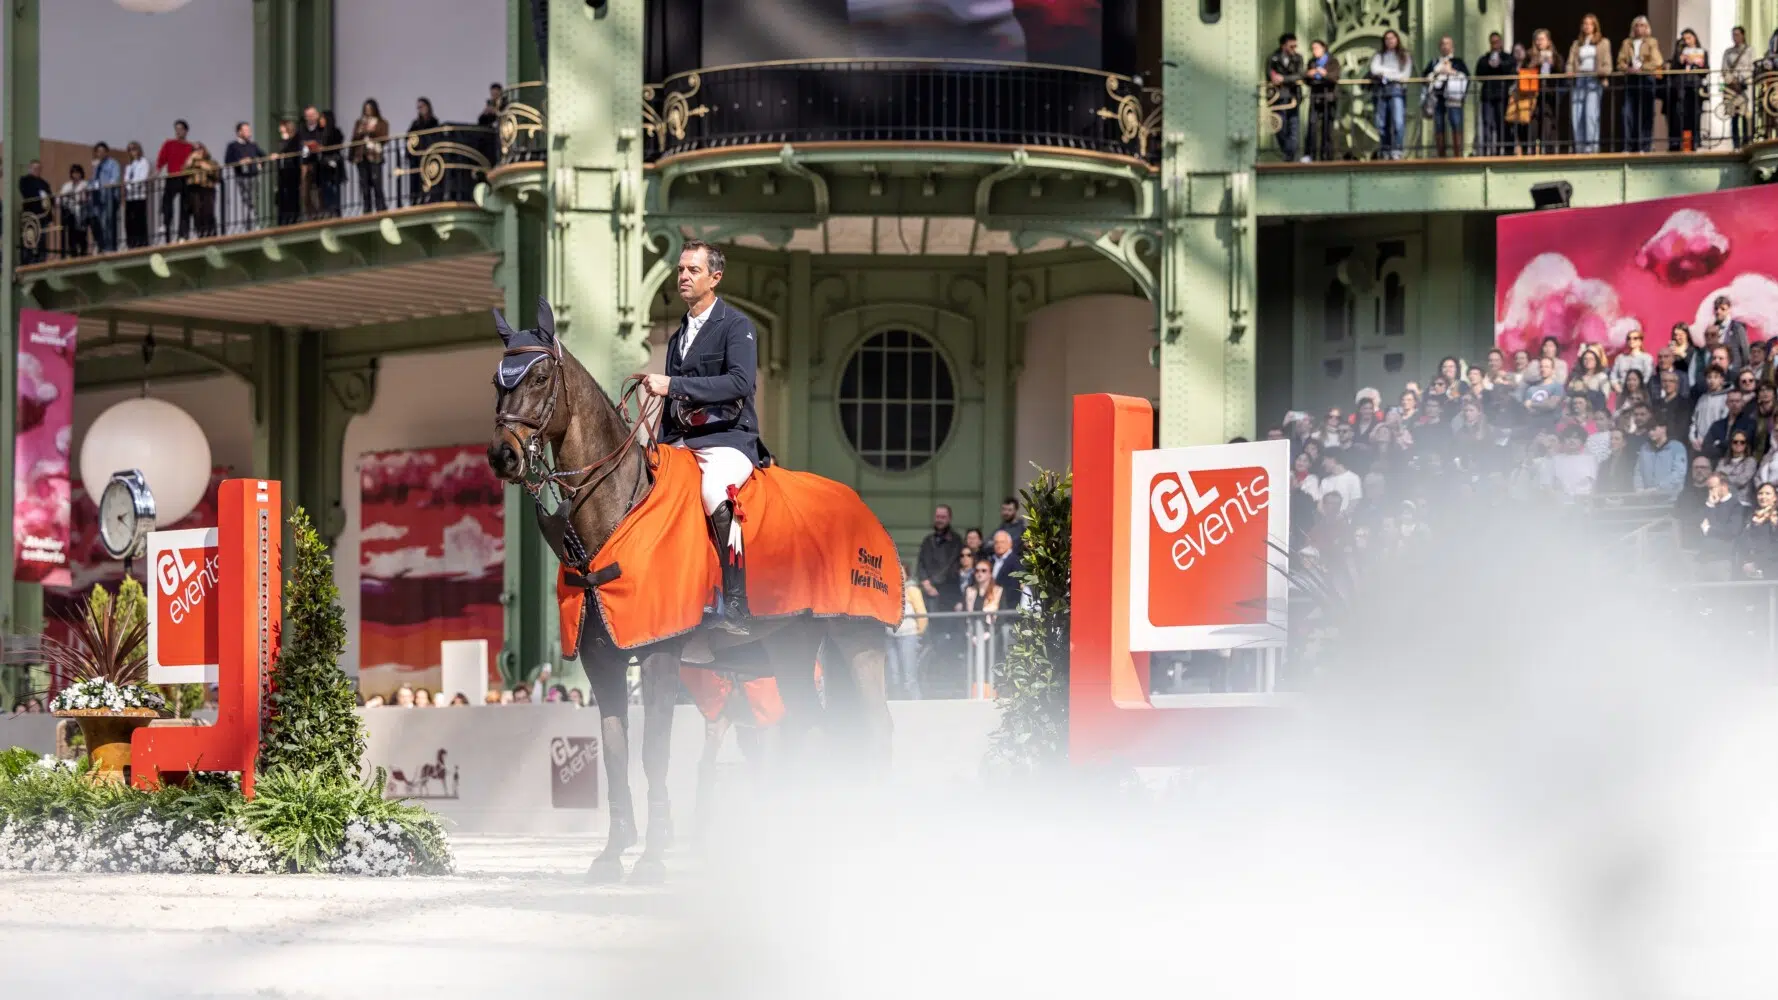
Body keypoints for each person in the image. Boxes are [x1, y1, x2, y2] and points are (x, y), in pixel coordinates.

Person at [640, 239, 767, 635]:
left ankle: (736, 604)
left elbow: (741, 383)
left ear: (715, 278)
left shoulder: (737, 326)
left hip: (728, 439)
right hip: (682, 441)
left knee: (714, 491)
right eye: (680, 270)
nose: (683, 276)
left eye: (693, 270)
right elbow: (670, 402)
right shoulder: (678, 336)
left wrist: (674, 383)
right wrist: (659, 448)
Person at [1617, 16, 1663, 153]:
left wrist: (1643, 67)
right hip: (1631, 79)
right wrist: (1628, 68)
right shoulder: (1627, 43)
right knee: (1627, 113)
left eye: (1642, 25)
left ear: (1647, 28)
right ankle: (1628, 146)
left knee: (1646, 114)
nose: (1639, 28)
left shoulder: (1652, 42)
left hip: (1646, 79)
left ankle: (1644, 146)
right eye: (1637, 25)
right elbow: (1620, 62)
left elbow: (1657, 61)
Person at [1566, 14, 1611, 154]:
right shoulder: (1576, 44)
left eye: (1590, 24)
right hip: (1579, 79)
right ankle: (1579, 148)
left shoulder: (1603, 42)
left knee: (1591, 114)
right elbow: (1570, 62)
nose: (1587, 26)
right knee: (1577, 114)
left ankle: (1591, 148)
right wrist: (1570, 71)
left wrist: (1600, 72)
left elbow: (1607, 65)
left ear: (1595, 26)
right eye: (1584, 23)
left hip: (1594, 79)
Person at [1422, 36, 1469, 158]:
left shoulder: (1458, 62)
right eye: (1443, 44)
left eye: (1448, 44)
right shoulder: (1434, 62)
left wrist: (1451, 71)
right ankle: (1441, 155)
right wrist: (1437, 72)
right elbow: (1424, 77)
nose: (1445, 46)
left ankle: (1457, 155)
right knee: (1438, 125)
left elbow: (1466, 77)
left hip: (1453, 98)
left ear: (1452, 47)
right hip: (1437, 97)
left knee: (1456, 123)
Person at [1368, 30, 1411, 159]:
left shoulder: (1404, 55)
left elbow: (1405, 75)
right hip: (1381, 90)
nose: (1389, 41)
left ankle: (1397, 150)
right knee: (1381, 123)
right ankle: (1385, 150)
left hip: (1397, 90)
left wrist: (1385, 73)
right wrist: (1393, 73)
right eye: (1387, 39)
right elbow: (1374, 69)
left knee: (1398, 122)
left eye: (1392, 38)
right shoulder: (1379, 55)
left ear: (1397, 39)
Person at [1665, 28, 1709, 152]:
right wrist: (1680, 60)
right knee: (1680, 115)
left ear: (1694, 38)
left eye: (1689, 38)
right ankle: (1681, 143)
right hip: (1682, 86)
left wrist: (1696, 63)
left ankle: (1695, 141)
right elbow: (1673, 70)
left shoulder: (1702, 52)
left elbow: (1705, 70)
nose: (1687, 41)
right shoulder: (1679, 52)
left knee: (1695, 114)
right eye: (1684, 39)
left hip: (1695, 85)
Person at [155, 119, 194, 241]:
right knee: (167, 203)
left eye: (180, 129)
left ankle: (183, 235)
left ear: (186, 131)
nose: (178, 132)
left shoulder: (190, 146)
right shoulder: (169, 144)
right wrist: (156, 172)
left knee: (185, 206)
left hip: (185, 177)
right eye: (176, 129)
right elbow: (161, 159)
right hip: (172, 177)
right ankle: (166, 229)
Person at [1267, 34, 1304, 162]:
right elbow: (1269, 74)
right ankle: (1287, 150)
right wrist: (1274, 78)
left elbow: (1300, 75)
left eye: (1295, 46)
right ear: (1283, 46)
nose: (1294, 49)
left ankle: (1290, 154)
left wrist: (1283, 79)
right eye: (1291, 46)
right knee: (1280, 126)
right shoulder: (1273, 57)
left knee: (1293, 125)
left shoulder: (1298, 58)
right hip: (1278, 96)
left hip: (1293, 96)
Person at [1475, 32, 1513, 156]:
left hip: (1502, 95)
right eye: (1492, 42)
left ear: (1501, 43)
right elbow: (1478, 74)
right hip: (1488, 96)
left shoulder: (1507, 57)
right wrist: (1489, 64)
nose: (1495, 45)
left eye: (1497, 42)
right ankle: (1487, 150)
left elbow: (1511, 71)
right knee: (1487, 123)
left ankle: (1502, 150)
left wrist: (1500, 64)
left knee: (1502, 123)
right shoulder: (1485, 58)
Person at [1303, 39, 1341, 161]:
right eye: (1313, 48)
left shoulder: (1333, 61)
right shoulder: (1312, 62)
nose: (1314, 51)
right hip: (1315, 97)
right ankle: (1310, 154)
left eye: (1317, 48)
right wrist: (1308, 75)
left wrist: (1324, 74)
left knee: (1327, 128)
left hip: (1328, 97)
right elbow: (1306, 79)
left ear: (1323, 48)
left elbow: (1335, 77)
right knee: (1312, 126)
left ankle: (1327, 156)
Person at [223, 121, 265, 231]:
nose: (249, 132)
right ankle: (252, 224)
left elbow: (263, 156)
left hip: (254, 175)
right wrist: (240, 162)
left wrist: (260, 164)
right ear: (239, 132)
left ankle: (251, 224)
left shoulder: (253, 145)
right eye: (246, 130)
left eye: (249, 130)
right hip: (242, 176)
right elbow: (228, 161)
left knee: (253, 200)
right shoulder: (233, 146)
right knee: (248, 200)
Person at [351, 99, 390, 214]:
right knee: (364, 185)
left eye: (370, 109)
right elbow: (354, 138)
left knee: (376, 182)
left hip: (375, 155)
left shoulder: (381, 122)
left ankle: (381, 208)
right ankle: (367, 209)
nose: (368, 111)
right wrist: (361, 132)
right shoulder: (359, 122)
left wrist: (372, 131)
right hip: (361, 156)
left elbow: (384, 138)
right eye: (366, 109)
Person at [1725, 26, 1757, 148]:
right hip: (1732, 87)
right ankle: (1735, 143)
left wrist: (1743, 80)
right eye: (1733, 35)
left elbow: (1752, 67)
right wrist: (1732, 81)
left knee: (1745, 114)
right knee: (1733, 115)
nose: (1735, 37)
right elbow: (1724, 69)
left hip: (1745, 86)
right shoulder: (1728, 52)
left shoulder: (1750, 50)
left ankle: (1746, 141)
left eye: (1737, 34)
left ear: (1743, 35)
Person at [89, 142, 120, 253]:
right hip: (97, 197)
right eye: (98, 152)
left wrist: (107, 185)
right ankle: (101, 245)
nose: (100, 153)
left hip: (108, 197)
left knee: (108, 222)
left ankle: (110, 247)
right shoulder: (97, 165)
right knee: (97, 222)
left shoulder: (112, 163)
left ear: (107, 152)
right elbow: (93, 180)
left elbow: (115, 178)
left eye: (102, 151)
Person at [121, 142, 151, 249]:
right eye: (129, 150)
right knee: (129, 220)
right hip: (130, 197)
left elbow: (142, 178)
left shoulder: (144, 162)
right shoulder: (129, 166)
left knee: (139, 219)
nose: (132, 152)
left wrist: (132, 186)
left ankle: (141, 241)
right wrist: (129, 187)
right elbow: (126, 179)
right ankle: (131, 242)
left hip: (139, 196)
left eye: (134, 149)